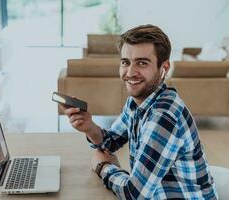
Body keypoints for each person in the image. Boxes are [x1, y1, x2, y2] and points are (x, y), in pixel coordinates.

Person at [61, 24, 218, 199]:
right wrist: (89, 127)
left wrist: (103, 167)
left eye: (142, 63)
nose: (130, 72)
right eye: (125, 62)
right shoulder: (137, 103)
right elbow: (111, 142)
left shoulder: (164, 116)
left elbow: (135, 194)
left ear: (164, 68)